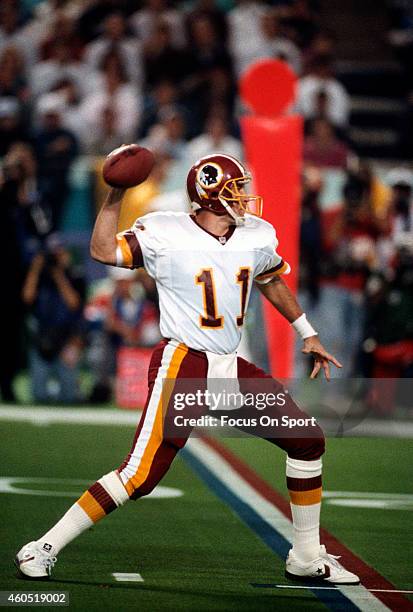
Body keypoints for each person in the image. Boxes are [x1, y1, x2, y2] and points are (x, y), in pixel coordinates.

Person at [15, 153, 359, 585]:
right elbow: (103, 250)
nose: (245, 198)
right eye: (235, 190)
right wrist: (116, 194)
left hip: (229, 366)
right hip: (185, 363)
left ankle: (306, 557)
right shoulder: (165, 230)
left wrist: (306, 331)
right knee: (139, 477)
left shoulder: (255, 235)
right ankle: (41, 548)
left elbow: (270, 277)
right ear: (211, 197)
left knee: (307, 441)